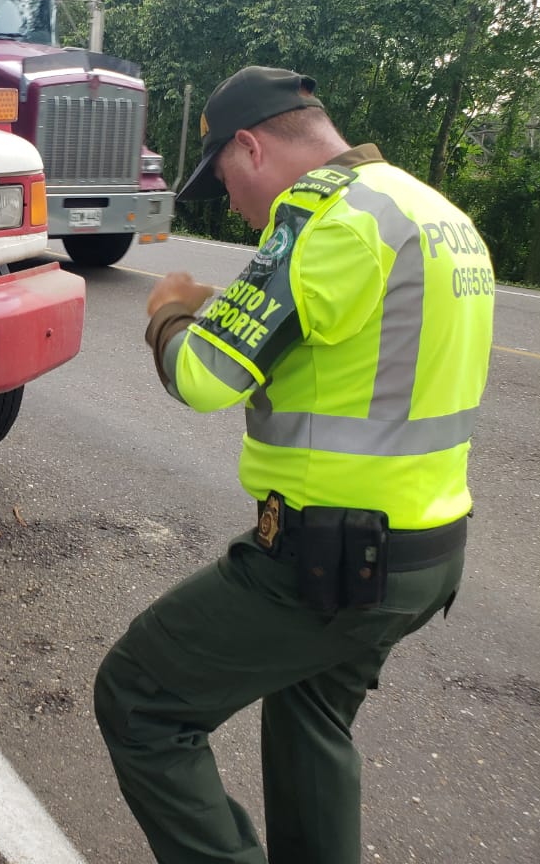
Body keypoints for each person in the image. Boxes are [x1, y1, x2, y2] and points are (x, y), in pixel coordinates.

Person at [93, 66, 495, 864]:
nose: (240, 211)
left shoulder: (326, 216)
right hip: (425, 550)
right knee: (311, 721)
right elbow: (365, 358)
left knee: (141, 698)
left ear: (252, 146)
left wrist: (169, 307)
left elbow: (203, 378)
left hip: (329, 557)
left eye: (228, 184)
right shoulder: (434, 211)